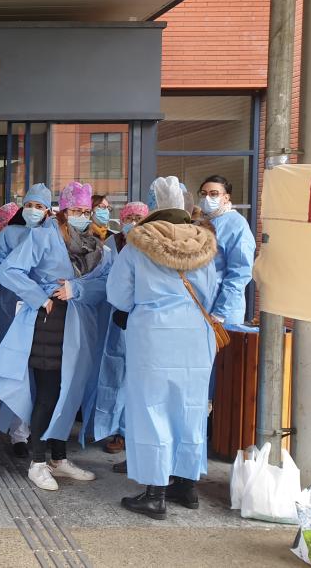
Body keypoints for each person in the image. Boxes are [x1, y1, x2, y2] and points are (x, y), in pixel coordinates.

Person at [0, 182, 110, 491]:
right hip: (48, 323)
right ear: (63, 211)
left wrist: (76, 288)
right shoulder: (43, 236)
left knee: (70, 392)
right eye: (76, 210)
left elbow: (108, 283)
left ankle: (59, 457)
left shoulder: (96, 246)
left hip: (80, 325)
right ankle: (37, 462)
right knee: (48, 392)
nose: (82, 215)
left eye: (86, 211)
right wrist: (39, 297)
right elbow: (10, 270)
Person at [106, 177, 219, 519]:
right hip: (196, 335)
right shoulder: (203, 242)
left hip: (153, 335)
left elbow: (118, 295)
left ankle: (155, 493)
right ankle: (186, 485)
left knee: (152, 408)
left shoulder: (138, 243)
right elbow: (211, 292)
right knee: (191, 407)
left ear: (154, 207)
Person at [0, 184, 53, 459]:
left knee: (40, 370)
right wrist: (25, 285)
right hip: (10, 306)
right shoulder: (8, 235)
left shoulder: (53, 236)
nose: (33, 211)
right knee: (15, 367)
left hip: (44, 309)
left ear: (48, 211)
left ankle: (30, 430)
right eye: (29, 205)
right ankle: (18, 432)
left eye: (39, 207)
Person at [93, 201, 149, 458]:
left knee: (135, 378)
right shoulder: (111, 244)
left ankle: (127, 432)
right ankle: (109, 427)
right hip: (112, 315)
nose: (133, 222)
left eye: (139, 218)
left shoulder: (150, 247)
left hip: (141, 319)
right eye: (129, 217)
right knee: (112, 373)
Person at [197, 175, 255, 325]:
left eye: (214, 194)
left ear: (226, 197)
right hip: (200, 306)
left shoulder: (236, 224)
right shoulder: (203, 222)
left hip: (222, 311)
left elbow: (240, 271)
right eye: (203, 194)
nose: (207, 198)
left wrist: (220, 312)